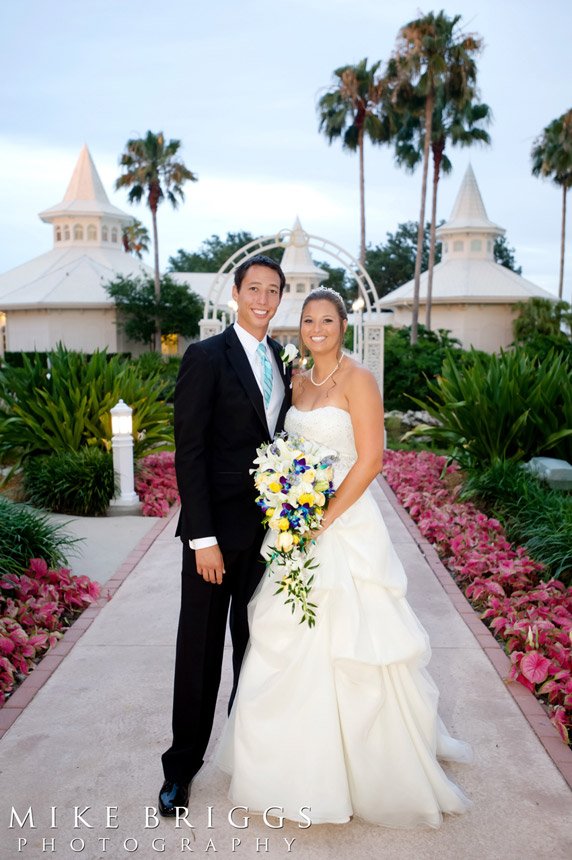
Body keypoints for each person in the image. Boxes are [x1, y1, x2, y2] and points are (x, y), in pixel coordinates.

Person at [217, 286, 472, 828]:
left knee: (353, 641)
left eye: (326, 320)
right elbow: (286, 450)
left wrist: (323, 517)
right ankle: (285, 765)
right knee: (283, 634)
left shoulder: (359, 380)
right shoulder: (297, 380)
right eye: (308, 319)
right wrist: (289, 501)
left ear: (342, 325)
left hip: (343, 522)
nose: (316, 328)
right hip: (295, 524)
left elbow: (372, 459)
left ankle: (368, 768)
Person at [159, 254, 291, 815]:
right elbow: (188, 452)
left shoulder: (282, 358)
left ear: (281, 298)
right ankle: (180, 768)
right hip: (216, 537)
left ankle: (246, 757)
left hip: (267, 535)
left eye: (273, 291)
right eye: (253, 288)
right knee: (200, 650)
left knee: (256, 649)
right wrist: (202, 539)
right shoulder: (205, 356)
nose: (262, 299)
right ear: (235, 293)